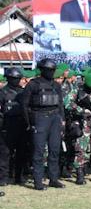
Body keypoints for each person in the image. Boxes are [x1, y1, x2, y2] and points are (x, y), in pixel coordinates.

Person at [19, 59, 66, 190]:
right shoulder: (33, 84)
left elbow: (60, 104)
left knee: (55, 150)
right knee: (38, 151)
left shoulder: (56, 85)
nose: (51, 72)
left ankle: (53, 179)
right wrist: (29, 122)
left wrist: (62, 119)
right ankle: (38, 181)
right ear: (42, 70)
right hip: (40, 118)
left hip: (55, 118)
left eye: (53, 70)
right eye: (49, 70)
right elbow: (24, 105)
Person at [1, 68, 26, 188]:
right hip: (7, 125)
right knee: (5, 153)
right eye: (15, 79)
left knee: (21, 152)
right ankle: (3, 178)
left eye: (18, 79)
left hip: (21, 125)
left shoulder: (23, 92)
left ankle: (19, 177)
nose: (17, 81)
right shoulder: (2, 92)